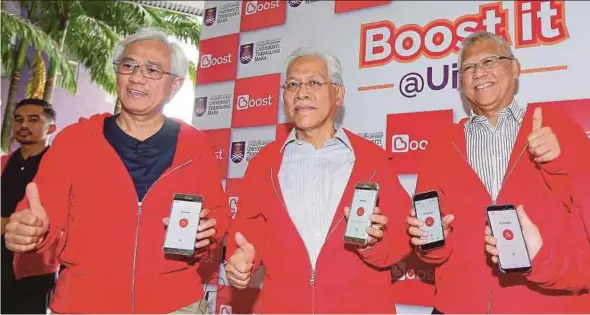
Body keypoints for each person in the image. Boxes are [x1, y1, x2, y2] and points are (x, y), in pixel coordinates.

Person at [4, 28, 230, 314]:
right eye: (128, 65)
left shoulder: (196, 145)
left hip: (175, 304)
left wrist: (204, 235)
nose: (137, 77)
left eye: (152, 69)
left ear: (174, 85)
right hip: (84, 303)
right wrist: (27, 230)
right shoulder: (75, 140)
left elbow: (217, 215)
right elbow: (40, 215)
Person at [407, 31, 590, 314]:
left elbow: (582, 218)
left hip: (546, 304)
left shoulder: (558, 129)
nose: (479, 72)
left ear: (514, 68)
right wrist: (431, 242)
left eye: (489, 60)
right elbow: (431, 247)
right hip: (457, 306)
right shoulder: (440, 147)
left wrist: (560, 163)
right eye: (468, 67)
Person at [224, 47, 412, 313]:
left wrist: (374, 243)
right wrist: (241, 261)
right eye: (292, 84)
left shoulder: (372, 161)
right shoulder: (262, 165)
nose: (301, 92)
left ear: (338, 94)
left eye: (314, 82)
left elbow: (402, 238)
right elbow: (246, 235)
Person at [1, 99, 58, 314]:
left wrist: (8, 224)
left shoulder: (59, 168)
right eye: (19, 119)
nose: (24, 125)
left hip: (34, 265)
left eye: (33, 120)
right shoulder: (4, 163)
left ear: (51, 127)